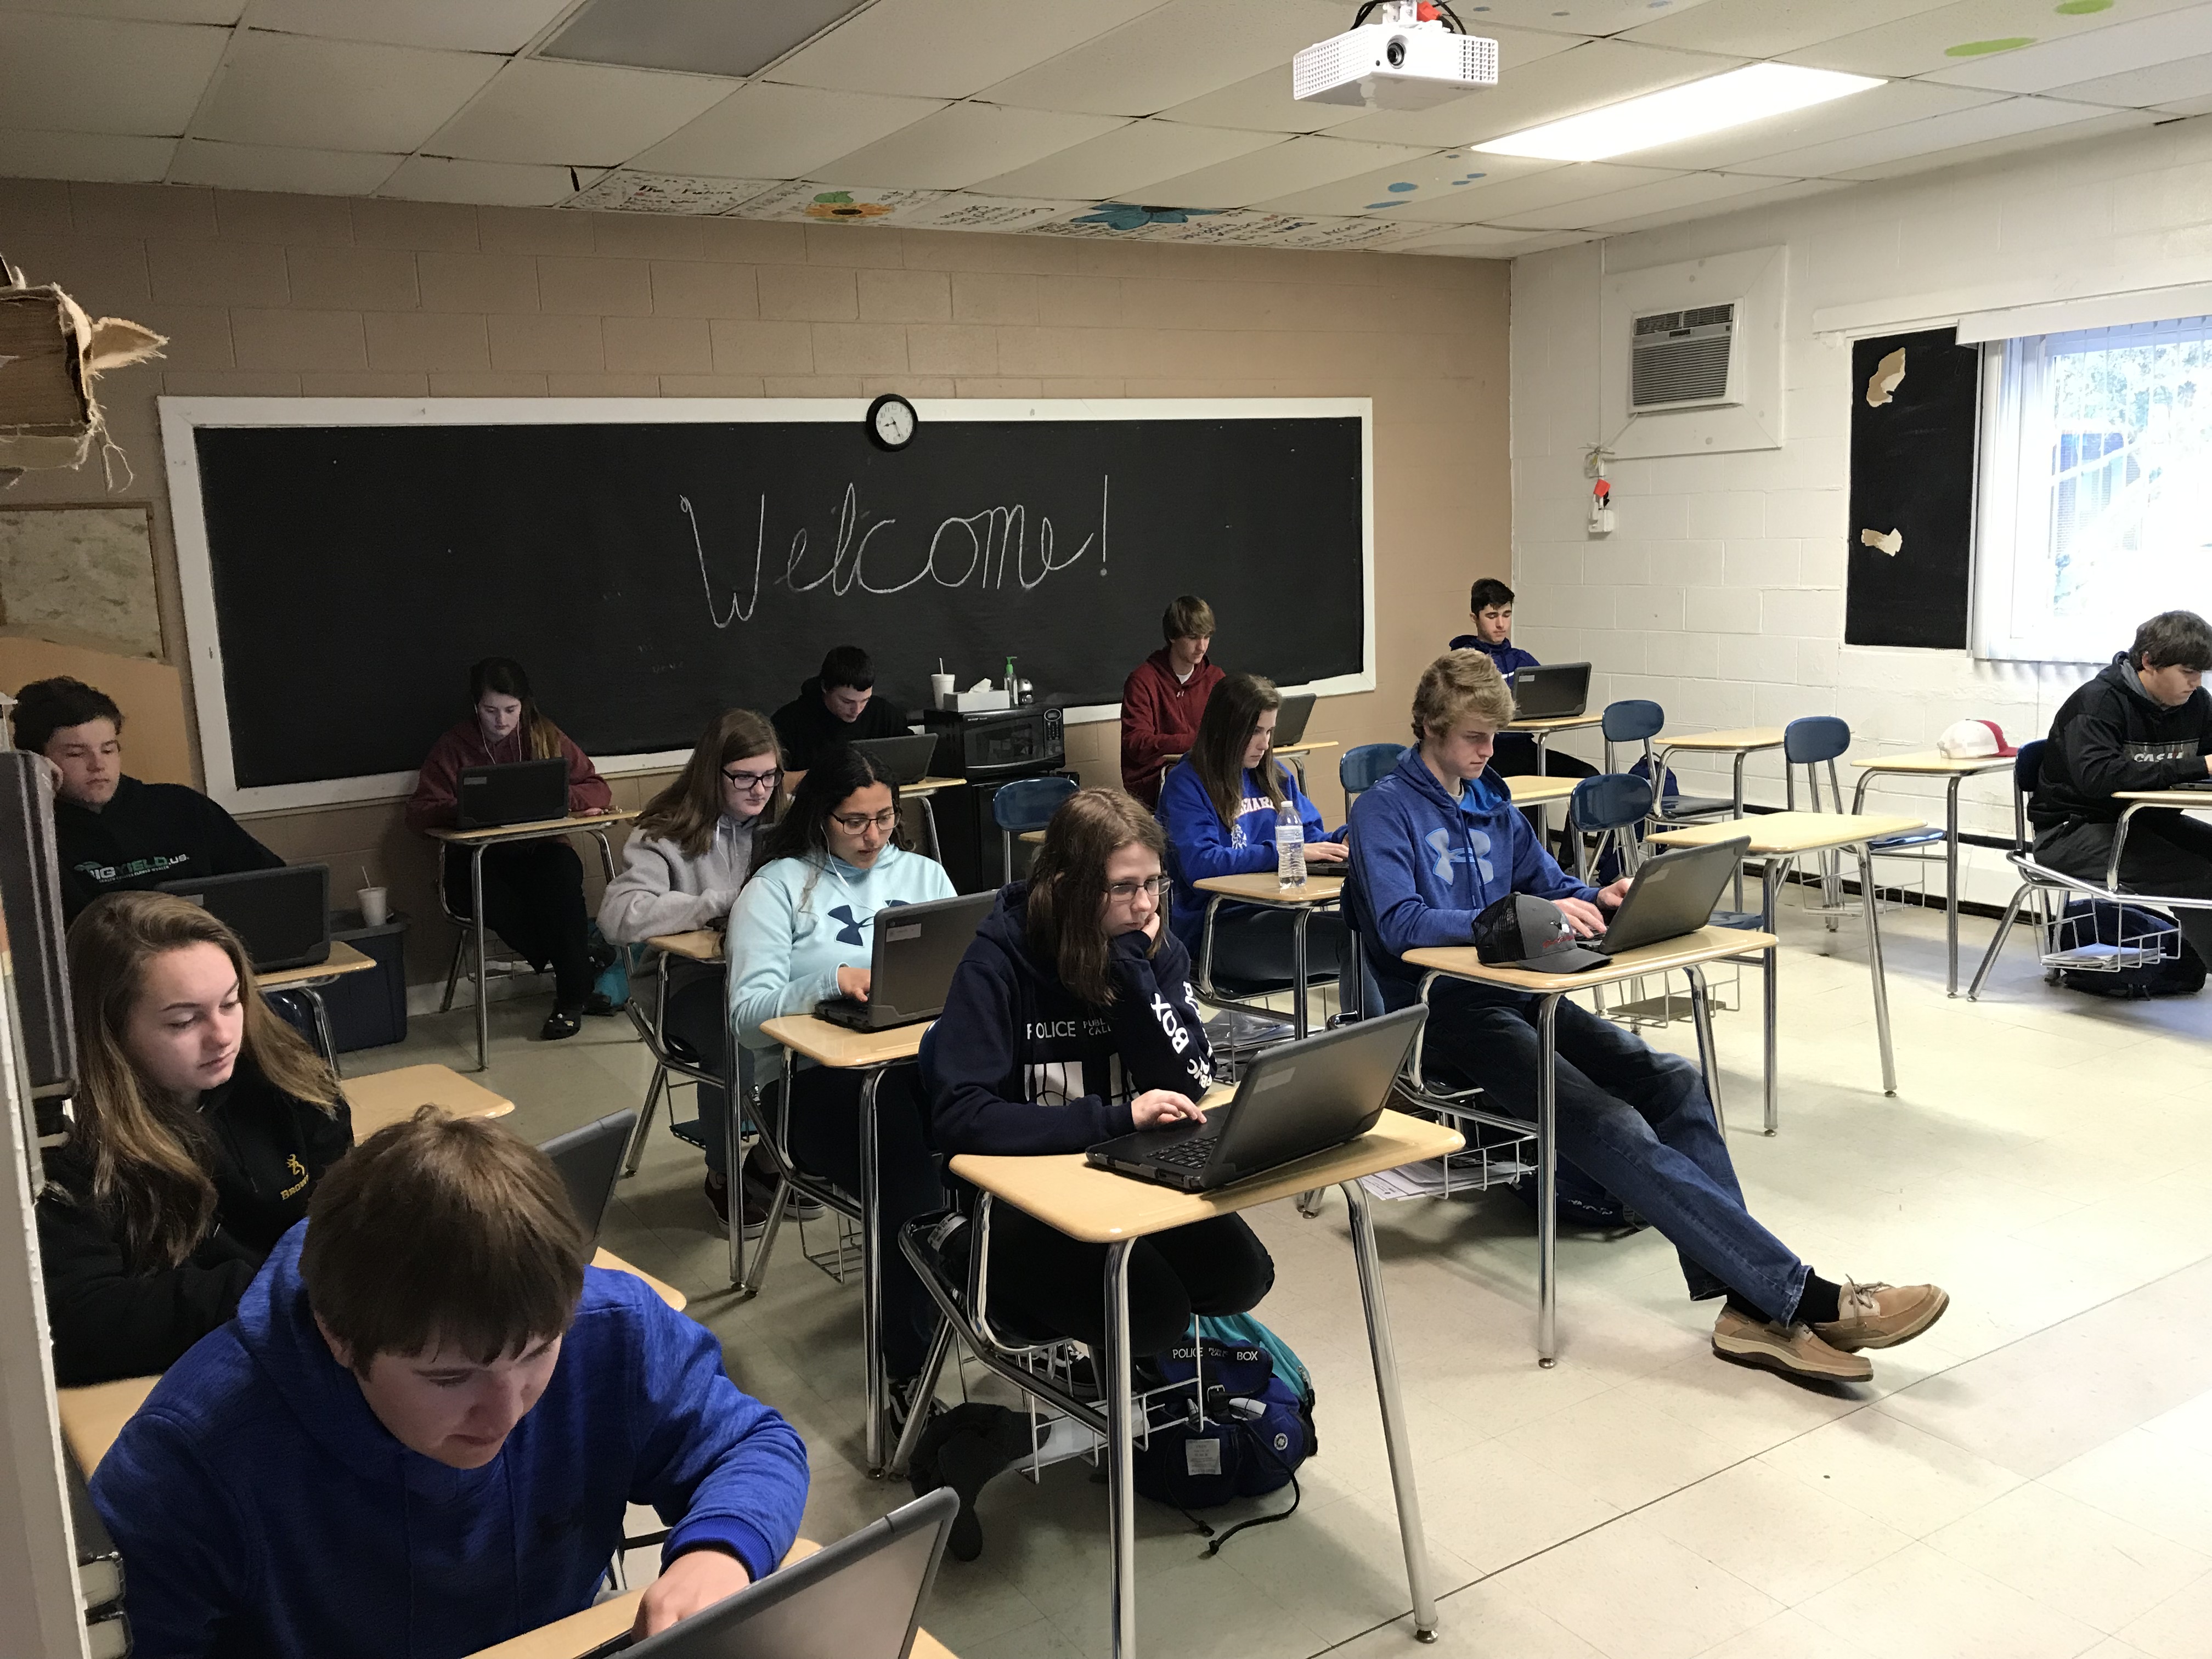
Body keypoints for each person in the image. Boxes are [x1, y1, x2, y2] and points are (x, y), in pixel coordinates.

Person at [1348, 650, 1947, 1383]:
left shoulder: (1491, 801)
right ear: (1431, 727)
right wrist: (1512, 918)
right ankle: (1800, 1297)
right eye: (1475, 737)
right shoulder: (1384, 810)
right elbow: (1402, 925)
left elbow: (1549, 882)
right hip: (1444, 1013)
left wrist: (1596, 896)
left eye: (1494, 737)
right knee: (1611, 1122)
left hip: (1525, 994)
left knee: (1674, 1081)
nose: (1488, 751)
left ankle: (1750, 1308)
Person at [89, 1108, 809, 1658]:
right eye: (450, 1377)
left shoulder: (611, 1324)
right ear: (339, 1337)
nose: (505, 1413)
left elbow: (753, 1445)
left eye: (538, 1353)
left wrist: (719, 1554)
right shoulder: (190, 1457)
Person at [920, 787, 1273, 1361]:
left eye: (1154, 882)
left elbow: (1191, 1079)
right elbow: (961, 1117)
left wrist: (1133, 971)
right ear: (1066, 888)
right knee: (1152, 1316)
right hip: (1025, 1194)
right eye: (1124, 887)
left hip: (1122, 1173)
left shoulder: (1149, 949)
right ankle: (959, 1251)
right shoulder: (997, 962)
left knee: (1241, 1276)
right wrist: (1116, 1119)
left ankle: (1131, 1371)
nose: (1145, 906)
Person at [36, 891, 351, 1386]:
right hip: (185, 1374)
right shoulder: (68, 1143)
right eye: (184, 1021)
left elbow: (347, 1217)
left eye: (231, 1002)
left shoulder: (290, 1080)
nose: (223, 1036)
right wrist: (275, 1291)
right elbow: (78, 1321)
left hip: (307, 1337)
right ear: (110, 1031)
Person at [725, 745, 955, 1415]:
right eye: (854, 821)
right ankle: (908, 1376)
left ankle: (999, 1304)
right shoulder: (777, 887)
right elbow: (745, 1017)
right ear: (819, 816)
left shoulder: (924, 874)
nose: (873, 836)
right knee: (906, 1169)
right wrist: (829, 981)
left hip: (918, 1068)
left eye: (885, 818)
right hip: (811, 1086)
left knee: (1003, 1139)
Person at [599, 709, 793, 1232]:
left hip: (769, 968)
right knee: (737, 1037)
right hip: (686, 982)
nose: (761, 790)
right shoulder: (665, 832)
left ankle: (772, 1162)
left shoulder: (786, 822)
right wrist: (715, 903)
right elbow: (617, 916)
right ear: (713, 772)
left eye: (770, 775)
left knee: (817, 1033)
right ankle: (723, 1173)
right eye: (744, 777)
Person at [407, 657, 615, 1042]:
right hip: (478, 861)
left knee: (562, 876)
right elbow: (419, 814)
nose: (501, 721)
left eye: (510, 710)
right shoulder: (455, 746)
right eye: (490, 711)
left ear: (524, 705)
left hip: (538, 851)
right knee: (484, 893)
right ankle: (581, 967)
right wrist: (465, 806)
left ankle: (571, 1000)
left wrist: (559, 797)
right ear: (476, 707)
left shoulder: (544, 736)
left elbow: (598, 788)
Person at [12, 676, 283, 921]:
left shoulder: (182, 807)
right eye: (75, 754)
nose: (98, 765)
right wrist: (33, 796)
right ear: (38, 761)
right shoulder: (27, 833)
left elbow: (274, 883)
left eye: (108, 750)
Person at [2031, 609, 2212, 965]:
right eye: (2187, 672)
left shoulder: (2197, 704)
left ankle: (2195, 964)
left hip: (2146, 822)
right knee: (2200, 878)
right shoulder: (2097, 704)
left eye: (2201, 673)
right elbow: (2100, 778)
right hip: (2071, 831)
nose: (2196, 682)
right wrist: (2199, 765)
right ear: (2149, 661)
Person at [1156, 672, 1352, 990]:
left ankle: (1386, 1022)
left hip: (1278, 914)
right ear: (1226, 730)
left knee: (1367, 930)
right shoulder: (1187, 784)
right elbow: (1201, 864)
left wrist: (1340, 841)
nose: (1265, 744)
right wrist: (1282, 854)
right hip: (1219, 928)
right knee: (1351, 941)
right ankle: (1374, 1024)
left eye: (1270, 731)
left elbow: (1308, 839)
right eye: (1255, 731)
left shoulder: (1274, 776)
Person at [1446, 578, 1597, 786]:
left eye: (1507, 615)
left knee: (1589, 776)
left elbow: (1548, 701)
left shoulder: (1522, 659)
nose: (1501, 624)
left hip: (1524, 748)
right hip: (1487, 753)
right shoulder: (1465, 660)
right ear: (1475, 618)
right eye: (1492, 616)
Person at [1120, 595, 1223, 809]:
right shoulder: (1143, 681)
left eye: (1207, 637)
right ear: (1172, 637)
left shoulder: (1215, 678)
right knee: (1189, 782)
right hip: (1159, 778)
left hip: (1207, 771)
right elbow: (1137, 743)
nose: (1202, 647)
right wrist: (1195, 742)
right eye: (1193, 638)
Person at [770, 645, 911, 791]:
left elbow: (913, 760)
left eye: (865, 701)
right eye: (847, 702)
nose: (857, 710)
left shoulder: (884, 714)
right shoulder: (788, 722)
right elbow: (771, 779)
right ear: (825, 687)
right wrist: (827, 776)